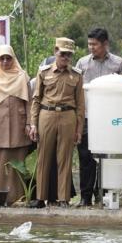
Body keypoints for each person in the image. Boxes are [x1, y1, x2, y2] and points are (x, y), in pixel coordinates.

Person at [29, 37, 85, 208]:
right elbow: (36, 100)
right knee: (43, 157)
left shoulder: (76, 75)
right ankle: (40, 197)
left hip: (68, 116)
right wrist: (33, 124)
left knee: (65, 158)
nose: (66, 58)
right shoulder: (44, 72)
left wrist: (79, 129)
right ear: (55, 51)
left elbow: (81, 105)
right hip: (47, 114)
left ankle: (63, 199)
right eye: (62, 54)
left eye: (69, 55)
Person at [75, 28, 122, 206]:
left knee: (107, 159)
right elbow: (77, 91)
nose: (91, 47)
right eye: (89, 44)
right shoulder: (81, 63)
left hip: (110, 120)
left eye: (95, 44)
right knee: (86, 158)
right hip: (88, 118)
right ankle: (85, 198)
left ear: (105, 44)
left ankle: (103, 196)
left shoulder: (119, 64)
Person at [0, 45, 31, 205]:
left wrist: (30, 123)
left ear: (13, 58)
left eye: (8, 58)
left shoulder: (23, 77)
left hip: (19, 125)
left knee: (18, 163)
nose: (5, 61)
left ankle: (18, 198)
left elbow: (29, 103)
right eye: (1, 58)